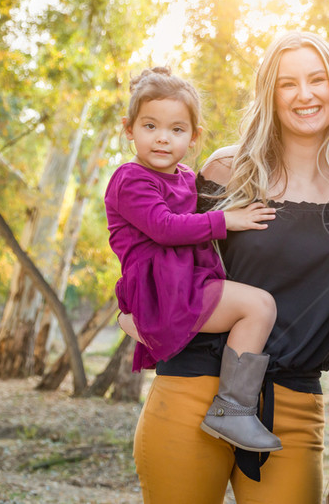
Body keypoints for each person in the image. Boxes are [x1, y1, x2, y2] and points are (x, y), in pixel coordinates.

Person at [127, 34, 329, 503]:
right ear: (270, 95)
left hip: (294, 403)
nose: (305, 95)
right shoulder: (227, 170)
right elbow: (152, 241)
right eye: (287, 84)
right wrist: (129, 310)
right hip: (194, 387)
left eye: (317, 79)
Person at [105, 67, 281, 453]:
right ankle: (233, 409)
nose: (163, 138)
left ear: (194, 136)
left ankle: (150, 329)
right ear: (129, 128)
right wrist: (227, 220)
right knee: (259, 306)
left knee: (256, 305)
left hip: (184, 281)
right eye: (150, 126)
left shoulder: (186, 177)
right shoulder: (131, 178)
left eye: (177, 129)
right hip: (162, 287)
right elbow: (164, 227)